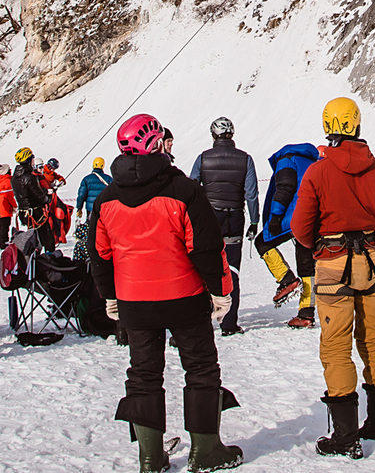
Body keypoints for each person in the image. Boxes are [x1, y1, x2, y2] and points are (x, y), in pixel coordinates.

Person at [91, 114, 241, 473]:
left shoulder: (107, 199)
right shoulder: (183, 190)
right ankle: (205, 451)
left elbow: (99, 254)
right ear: (157, 144)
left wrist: (109, 296)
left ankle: (150, 456)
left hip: (134, 302)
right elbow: (207, 247)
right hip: (185, 298)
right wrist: (221, 291)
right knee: (201, 368)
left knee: (143, 375)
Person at [292, 97, 375, 456]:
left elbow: (300, 228)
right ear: (357, 124)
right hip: (373, 261)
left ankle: (345, 435)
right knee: (374, 339)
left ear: (329, 126)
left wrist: (316, 247)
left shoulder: (318, 172)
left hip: (333, 261)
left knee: (336, 345)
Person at [191, 118, 261, 336]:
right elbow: (251, 194)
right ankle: (229, 323)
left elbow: (192, 187)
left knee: (203, 270)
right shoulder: (245, 159)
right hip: (234, 220)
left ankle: (201, 319)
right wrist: (254, 221)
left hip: (209, 221)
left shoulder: (203, 159)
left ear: (213, 135)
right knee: (231, 270)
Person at [256, 143, 320, 328]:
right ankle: (306, 314)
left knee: (262, 243)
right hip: (311, 217)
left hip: (292, 217)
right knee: (307, 265)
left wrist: (275, 216)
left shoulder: (286, 160)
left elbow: (284, 188)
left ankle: (286, 279)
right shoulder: (313, 161)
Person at [11, 148, 53, 252]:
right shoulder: (30, 177)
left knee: (33, 238)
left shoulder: (14, 178)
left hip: (24, 212)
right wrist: (48, 197)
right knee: (47, 239)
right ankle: (50, 258)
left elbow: (26, 192)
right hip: (36, 213)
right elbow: (39, 196)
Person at [73, 157, 111, 262]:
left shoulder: (87, 179)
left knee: (91, 229)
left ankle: (90, 248)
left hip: (91, 209)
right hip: (104, 210)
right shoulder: (108, 179)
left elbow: (81, 195)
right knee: (103, 231)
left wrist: (79, 208)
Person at [0, 164, 16, 250]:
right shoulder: (7, 181)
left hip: (1, 206)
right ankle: (3, 242)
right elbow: (9, 196)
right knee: (5, 226)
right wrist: (14, 206)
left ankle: (2, 242)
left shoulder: (1, 181)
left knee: (2, 226)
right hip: (5, 208)